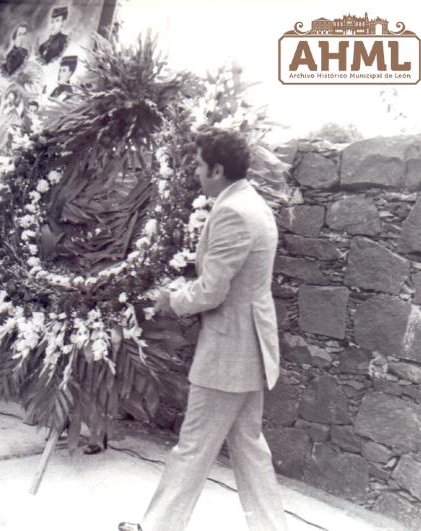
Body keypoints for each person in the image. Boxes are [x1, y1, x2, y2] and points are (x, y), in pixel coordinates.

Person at [119, 128, 288, 531]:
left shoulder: (232, 212)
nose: (195, 172)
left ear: (217, 169)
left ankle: (157, 527)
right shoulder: (254, 204)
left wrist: (171, 299)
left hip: (230, 352)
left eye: (198, 165)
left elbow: (212, 291)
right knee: (249, 448)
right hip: (250, 347)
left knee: (193, 446)